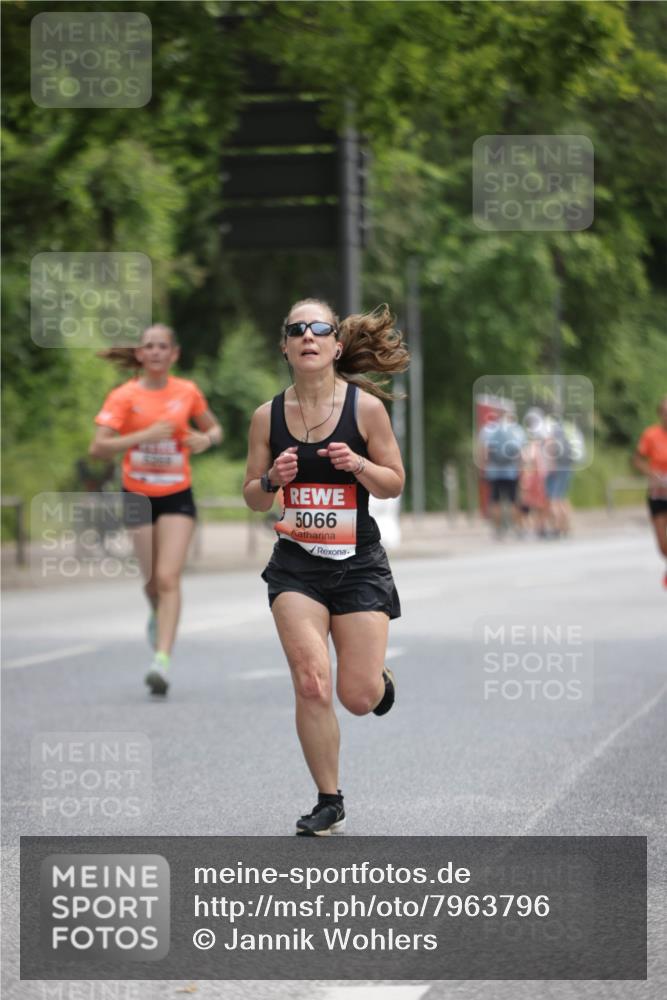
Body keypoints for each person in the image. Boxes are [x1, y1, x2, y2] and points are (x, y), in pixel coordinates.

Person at [243, 299, 409, 836]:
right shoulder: (267, 416)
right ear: (286, 347)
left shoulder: (364, 411)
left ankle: (379, 682)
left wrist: (358, 464)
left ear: (337, 345)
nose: (308, 336)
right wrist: (271, 479)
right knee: (312, 683)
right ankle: (329, 800)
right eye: (297, 329)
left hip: (358, 563)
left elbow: (394, 481)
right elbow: (252, 497)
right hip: (296, 567)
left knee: (356, 697)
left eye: (320, 329)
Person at [89, 324, 223, 694]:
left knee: (168, 578)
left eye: (163, 346)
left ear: (174, 354)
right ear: (140, 355)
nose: (156, 352)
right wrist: (143, 437)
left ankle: (161, 661)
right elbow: (98, 447)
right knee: (151, 582)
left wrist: (204, 439)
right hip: (137, 496)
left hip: (177, 494)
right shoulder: (123, 396)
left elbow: (215, 430)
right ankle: (156, 611)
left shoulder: (188, 392)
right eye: (149, 346)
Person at [634, 396, 667, 588]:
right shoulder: (651, 435)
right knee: (663, 545)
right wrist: (651, 473)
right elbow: (637, 459)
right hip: (658, 493)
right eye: (664, 412)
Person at [478, 410, 526, 537]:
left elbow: (485, 452)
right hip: (511, 472)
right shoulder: (517, 431)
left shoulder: (488, 430)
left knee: (495, 500)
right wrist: (521, 467)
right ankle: (518, 529)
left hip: (493, 472)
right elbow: (521, 453)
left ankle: (498, 530)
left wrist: (484, 467)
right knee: (513, 500)